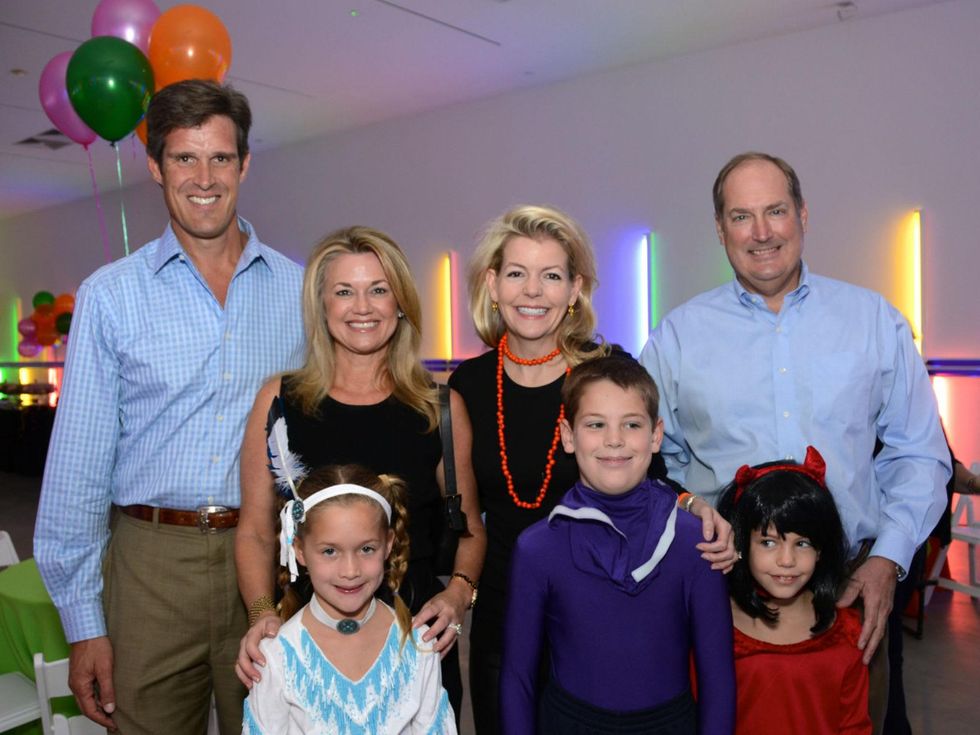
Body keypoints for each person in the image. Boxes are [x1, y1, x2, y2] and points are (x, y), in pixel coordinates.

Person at [639, 152, 950, 728]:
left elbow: (919, 453)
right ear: (719, 228)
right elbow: (655, 465)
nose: (761, 233)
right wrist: (693, 518)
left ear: (803, 215)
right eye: (741, 216)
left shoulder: (874, 321)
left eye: (775, 211)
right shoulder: (678, 336)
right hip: (720, 592)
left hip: (853, 588)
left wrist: (888, 558)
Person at [33, 80, 304, 733]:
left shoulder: (300, 288)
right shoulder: (111, 296)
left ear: (244, 164)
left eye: (219, 157)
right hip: (150, 566)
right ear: (155, 166)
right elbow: (78, 468)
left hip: (269, 560)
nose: (203, 177)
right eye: (184, 158)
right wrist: (83, 623)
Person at [449, 204, 734, 733]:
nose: (533, 291)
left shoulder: (607, 369)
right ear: (492, 284)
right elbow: (465, 514)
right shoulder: (467, 385)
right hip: (506, 608)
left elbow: (643, 465)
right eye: (517, 274)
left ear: (575, 287)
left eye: (551, 276)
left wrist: (694, 503)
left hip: (595, 607)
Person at [235, 226, 484, 721]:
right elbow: (257, 532)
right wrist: (262, 613)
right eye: (344, 291)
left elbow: (472, 530)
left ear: (401, 304)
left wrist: (458, 592)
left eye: (378, 289)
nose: (362, 306)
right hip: (304, 631)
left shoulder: (440, 409)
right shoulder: (278, 403)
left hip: (412, 637)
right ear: (322, 306)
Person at [501, 356, 735, 734]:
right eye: (596, 424)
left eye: (632, 424)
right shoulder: (537, 548)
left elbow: (718, 680)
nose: (614, 440)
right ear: (568, 435)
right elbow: (517, 678)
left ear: (656, 436)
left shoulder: (694, 541)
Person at [243, 464, 456, 734]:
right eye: (330, 551)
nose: (350, 571)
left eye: (366, 549)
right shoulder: (275, 656)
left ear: (389, 544)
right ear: (299, 550)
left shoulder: (418, 644)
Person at [717, 447, 871, 735]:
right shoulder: (715, 627)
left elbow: (854, 726)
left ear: (821, 549)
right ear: (741, 544)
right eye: (768, 542)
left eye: (802, 544)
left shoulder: (847, 634)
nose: (786, 561)